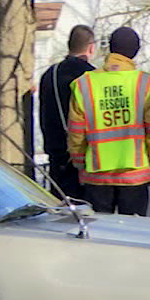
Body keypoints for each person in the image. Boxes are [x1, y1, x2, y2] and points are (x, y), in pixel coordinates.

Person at [66, 26, 150, 215]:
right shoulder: (143, 83)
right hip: (134, 176)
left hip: (97, 175)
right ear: (135, 52)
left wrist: (79, 162)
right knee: (132, 237)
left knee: (102, 235)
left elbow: (76, 130)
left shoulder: (85, 84)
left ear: (111, 48)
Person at [37, 24, 96, 199]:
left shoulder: (50, 74)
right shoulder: (92, 76)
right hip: (86, 157)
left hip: (56, 154)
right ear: (91, 48)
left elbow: (43, 113)